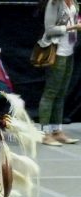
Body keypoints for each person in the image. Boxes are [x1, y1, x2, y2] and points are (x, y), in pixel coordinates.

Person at [38, 0, 81, 146]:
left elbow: (76, 17)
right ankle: (44, 133)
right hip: (56, 52)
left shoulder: (73, 2)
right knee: (51, 92)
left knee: (61, 93)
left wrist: (77, 22)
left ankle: (57, 130)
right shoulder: (54, 3)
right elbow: (49, 29)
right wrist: (74, 27)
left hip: (69, 50)